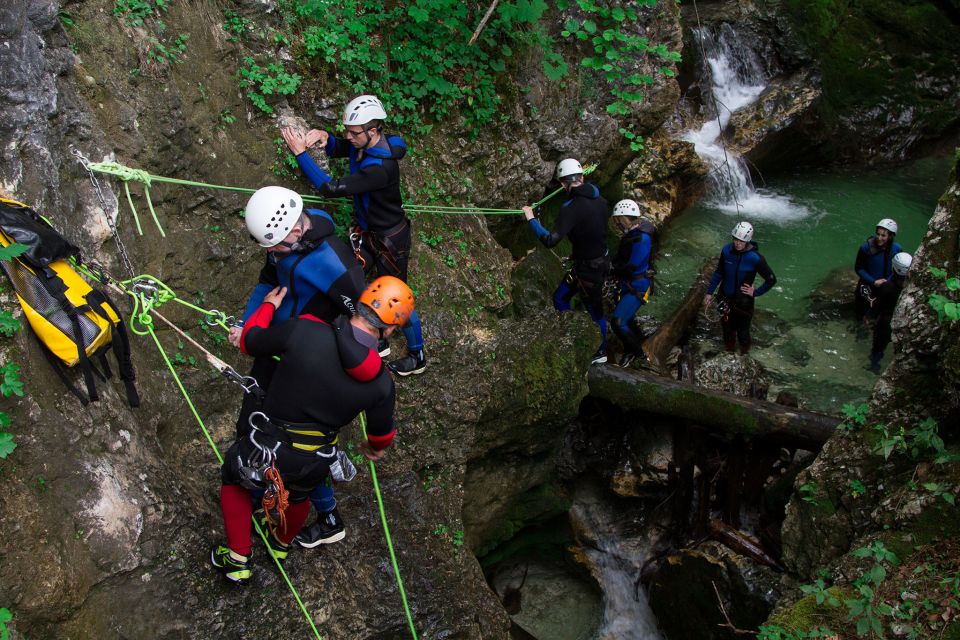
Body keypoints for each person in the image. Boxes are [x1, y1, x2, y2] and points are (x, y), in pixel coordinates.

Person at [211, 276, 412, 584]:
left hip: (267, 445)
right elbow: (380, 436)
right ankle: (279, 545)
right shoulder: (382, 384)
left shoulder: (304, 330)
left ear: (357, 303)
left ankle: (238, 557)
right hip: (315, 459)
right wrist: (373, 449)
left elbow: (250, 340)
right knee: (300, 495)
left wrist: (267, 306)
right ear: (389, 329)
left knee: (235, 479)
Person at [228, 186, 365, 549]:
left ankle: (321, 512)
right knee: (268, 430)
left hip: (304, 358)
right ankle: (297, 500)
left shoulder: (333, 262)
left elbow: (362, 317)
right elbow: (268, 282)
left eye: (274, 246)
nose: (271, 253)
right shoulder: (284, 242)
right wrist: (250, 324)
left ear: (294, 231)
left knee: (289, 438)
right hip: (279, 345)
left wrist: (337, 363)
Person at [280, 95, 427, 376]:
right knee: (352, 280)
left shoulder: (380, 169)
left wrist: (301, 154)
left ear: (373, 131)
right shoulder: (365, 143)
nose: (348, 136)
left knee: (395, 297)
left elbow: (330, 188)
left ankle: (417, 355)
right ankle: (375, 338)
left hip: (391, 240)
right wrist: (327, 138)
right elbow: (345, 148)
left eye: (353, 132)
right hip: (369, 234)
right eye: (345, 130)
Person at [521, 158, 610, 364]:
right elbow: (593, 232)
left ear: (563, 184)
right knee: (561, 297)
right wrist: (575, 255)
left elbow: (551, 240)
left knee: (593, 310)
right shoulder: (601, 200)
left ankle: (601, 352)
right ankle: (573, 336)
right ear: (582, 177)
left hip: (588, 270)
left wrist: (531, 219)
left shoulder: (571, 207)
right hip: (596, 262)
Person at [703, 221, 777, 354]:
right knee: (727, 331)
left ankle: (744, 355)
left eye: (741, 241)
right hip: (724, 297)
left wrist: (756, 292)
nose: (737, 243)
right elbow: (719, 272)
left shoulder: (755, 258)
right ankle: (729, 353)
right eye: (735, 239)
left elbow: (771, 279)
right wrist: (709, 293)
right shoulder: (726, 250)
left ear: (748, 240)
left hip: (743, 303)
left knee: (743, 334)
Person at [609, 199, 655, 367]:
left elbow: (632, 266)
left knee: (618, 322)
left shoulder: (642, 238)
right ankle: (634, 346)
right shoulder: (632, 234)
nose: (616, 224)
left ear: (623, 219)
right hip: (627, 284)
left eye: (618, 220)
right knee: (626, 319)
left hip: (637, 286)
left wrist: (612, 268)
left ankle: (639, 354)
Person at [864, 251, 911, 373]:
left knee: (878, 346)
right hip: (905, 321)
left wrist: (869, 316)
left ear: (894, 267)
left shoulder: (888, 287)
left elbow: (877, 306)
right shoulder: (911, 286)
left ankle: (874, 366)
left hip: (886, 322)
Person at [854, 218, 902, 323]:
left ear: (890, 236)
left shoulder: (897, 249)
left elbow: (898, 270)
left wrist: (888, 282)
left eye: (883, 235)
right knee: (861, 314)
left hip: (885, 287)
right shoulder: (866, 248)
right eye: (878, 234)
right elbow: (858, 268)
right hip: (867, 286)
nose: (879, 238)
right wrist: (874, 282)